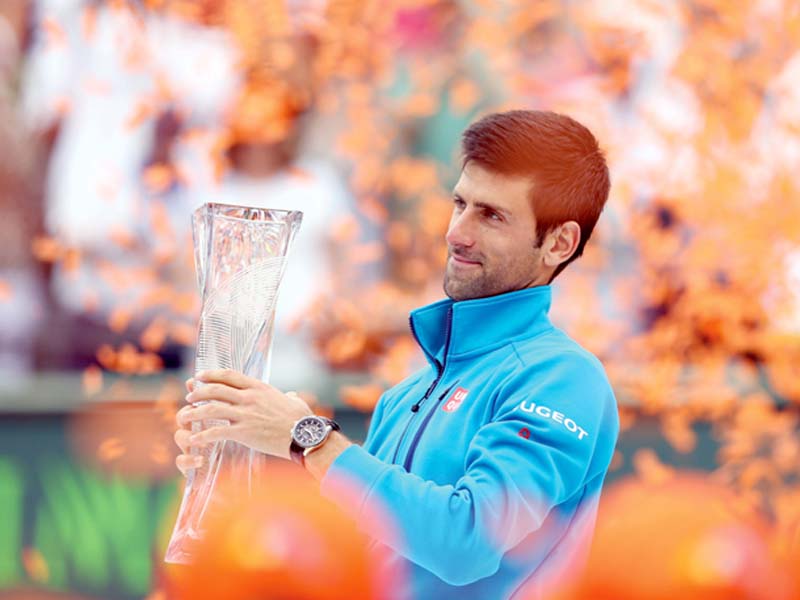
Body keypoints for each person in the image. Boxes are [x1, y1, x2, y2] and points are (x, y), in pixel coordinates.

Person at [174, 110, 620, 600]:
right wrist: (243, 464)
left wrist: (309, 440)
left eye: (491, 215)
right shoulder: (405, 393)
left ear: (559, 242)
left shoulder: (564, 378)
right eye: (460, 203)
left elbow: (467, 541)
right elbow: (359, 559)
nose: (457, 232)